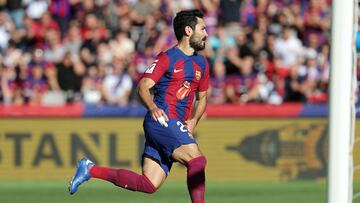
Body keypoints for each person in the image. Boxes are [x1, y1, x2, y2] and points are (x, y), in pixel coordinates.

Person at [68, 9, 209, 203]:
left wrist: (193, 121)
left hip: (177, 124)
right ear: (188, 31)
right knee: (197, 160)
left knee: (148, 184)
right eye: (203, 28)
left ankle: (90, 169)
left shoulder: (201, 63)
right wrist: (153, 107)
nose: (207, 33)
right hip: (163, 119)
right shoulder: (167, 58)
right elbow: (143, 85)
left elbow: (202, 98)